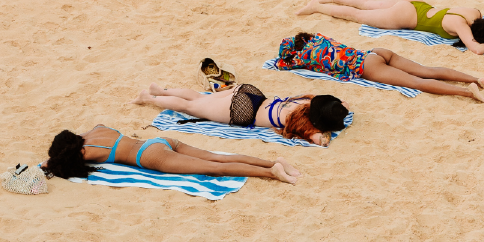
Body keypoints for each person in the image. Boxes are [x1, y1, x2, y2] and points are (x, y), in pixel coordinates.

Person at [275, 32, 484, 102]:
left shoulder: (303, 57)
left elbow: (282, 64)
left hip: (366, 67)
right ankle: (477, 79)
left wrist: (288, 58)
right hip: (374, 52)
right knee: (427, 70)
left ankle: (469, 93)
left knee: (417, 83)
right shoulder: (317, 39)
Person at [45, 125, 301, 184]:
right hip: (160, 140)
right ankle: (274, 161)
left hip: (150, 156)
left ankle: (271, 173)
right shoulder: (97, 130)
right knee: (216, 157)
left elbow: (54, 163)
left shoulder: (87, 152)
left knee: (214, 169)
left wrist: (49, 161)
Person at [296, 0, 484, 55]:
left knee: (368, 2)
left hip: (417, 4)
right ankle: (318, 7)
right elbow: (475, 49)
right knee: (359, 16)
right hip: (406, 18)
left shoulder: (474, 12)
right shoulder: (460, 26)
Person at [132, 84, 350, 147]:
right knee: (191, 108)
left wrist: (340, 107)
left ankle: (161, 91)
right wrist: (325, 131)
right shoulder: (302, 124)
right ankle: (149, 99)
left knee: (199, 97)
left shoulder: (304, 100)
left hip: (251, 93)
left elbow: (342, 103)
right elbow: (319, 140)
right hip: (242, 111)